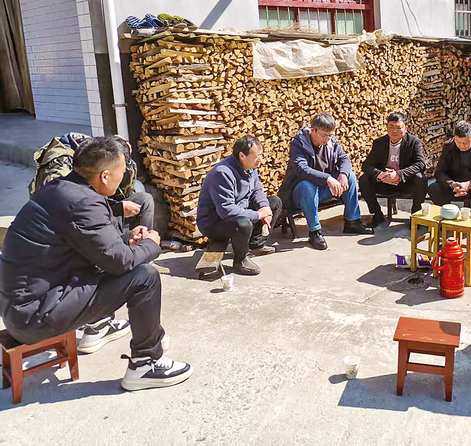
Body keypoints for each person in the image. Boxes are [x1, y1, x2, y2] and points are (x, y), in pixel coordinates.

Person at [0, 137, 192, 391]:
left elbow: (96, 243)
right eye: (122, 172)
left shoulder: (60, 188)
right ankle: (145, 363)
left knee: (112, 263)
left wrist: (128, 240)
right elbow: (120, 262)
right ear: (105, 175)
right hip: (35, 316)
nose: (124, 178)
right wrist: (151, 244)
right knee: (144, 277)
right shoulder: (83, 202)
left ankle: (102, 325)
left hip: (21, 305)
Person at [277, 112, 373, 251]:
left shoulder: (331, 142)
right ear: (313, 130)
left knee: (350, 176)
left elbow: (344, 159)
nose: (327, 139)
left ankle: (352, 221)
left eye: (330, 135)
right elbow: (301, 169)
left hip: (322, 190)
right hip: (300, 194)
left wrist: (343, 174)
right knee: (307, 186)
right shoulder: (298, 144)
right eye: (324, 136)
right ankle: (315, 232)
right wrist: (328, 178)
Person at [197, 136, 282, 276]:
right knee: (243, 223)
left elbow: (257, 190)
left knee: (274, 203)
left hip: (239, 209)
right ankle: (240, 259)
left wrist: (264, 208)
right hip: (215, 222)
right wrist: (257, 215)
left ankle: (255, 244)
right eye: (256, 156)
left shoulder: (250, 168)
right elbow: (226, 210)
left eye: (261, 155)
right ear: (242, 156)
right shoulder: (223, 173)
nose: (260, 160)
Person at [359, 112, 427, 227]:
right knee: (364, 179)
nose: (394, 131)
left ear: (405, 128)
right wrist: (379, 175)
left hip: (405, 182)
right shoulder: (379, 143)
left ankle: (415, 215)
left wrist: (399, 175)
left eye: (398, 128)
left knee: (421, 179)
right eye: (391, 127)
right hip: (384, 182)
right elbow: (366, 165)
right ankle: (377, 214)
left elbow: (420, 164)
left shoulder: (413, 142)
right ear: (387, 128)